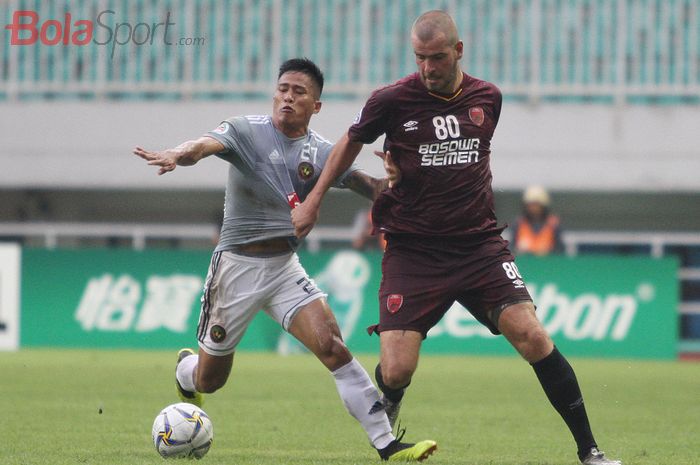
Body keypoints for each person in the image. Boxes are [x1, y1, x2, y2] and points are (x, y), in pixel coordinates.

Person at [291, 12, 621, 465]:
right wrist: (314, 202)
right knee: (398, 368)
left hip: (478, 246)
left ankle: (590, 451)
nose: (428, 67)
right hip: (414, 251)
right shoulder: (391, 100)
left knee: (532, 336)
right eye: (420, 58)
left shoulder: (489, 98)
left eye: (438, 58)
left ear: (459, 51)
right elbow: (348, 142)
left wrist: (415, 169)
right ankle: (390, 397)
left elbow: (468, 161)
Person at [133, 58, 436, 462]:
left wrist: (396, 179)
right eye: (283, 89)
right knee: (211, 379)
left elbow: (372, 188)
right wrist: (178, 152)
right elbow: (202, 147)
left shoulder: (323, 152)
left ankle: (387, 445)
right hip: (235, 270)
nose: (287, 97)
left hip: (283, 269)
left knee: (333, 347)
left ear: (317, 105)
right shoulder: (245, 131)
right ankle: (186, 371)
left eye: (299, 92)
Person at [512, 185, 563, 255]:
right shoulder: (518, 224)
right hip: (524, 264)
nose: (533, 208)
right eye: (531, 205)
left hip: (548, 263)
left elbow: (560, 250)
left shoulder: (554, 224)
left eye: (536, 205)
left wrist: (548, 252)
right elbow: (512, 248)